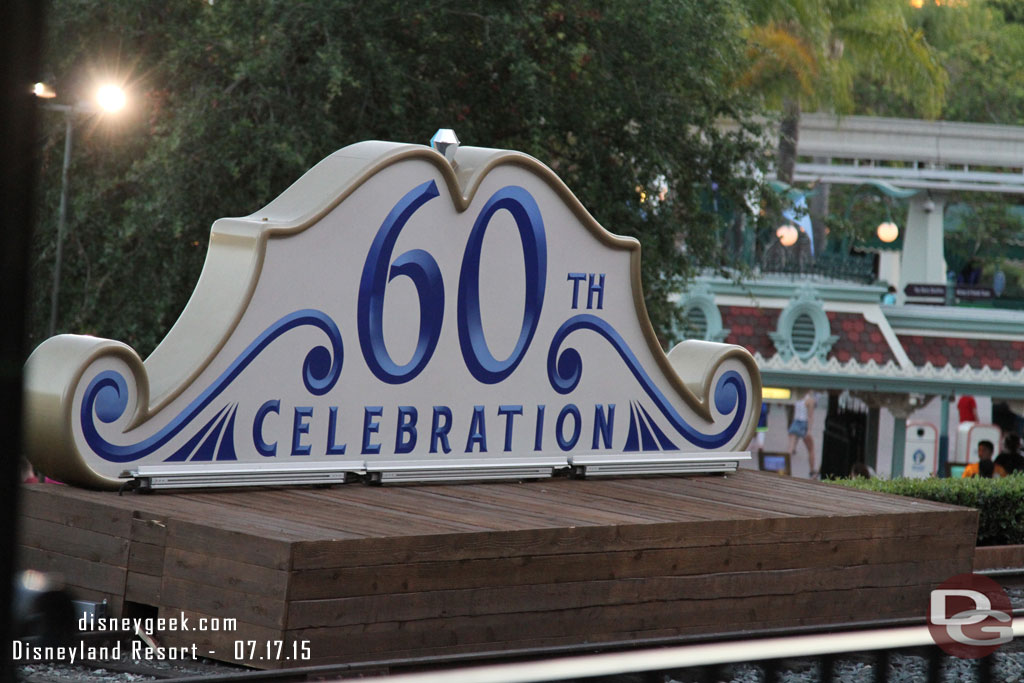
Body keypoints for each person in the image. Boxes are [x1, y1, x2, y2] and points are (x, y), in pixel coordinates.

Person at [788, 391, 817, 478]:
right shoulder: (810, 400)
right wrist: (809, 430)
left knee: (790, 448)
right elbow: (810, 416)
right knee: (811, 449)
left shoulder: (797, 398)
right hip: (803, 423)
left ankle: (784, 467)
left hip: (796, 422)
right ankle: (812, 470)